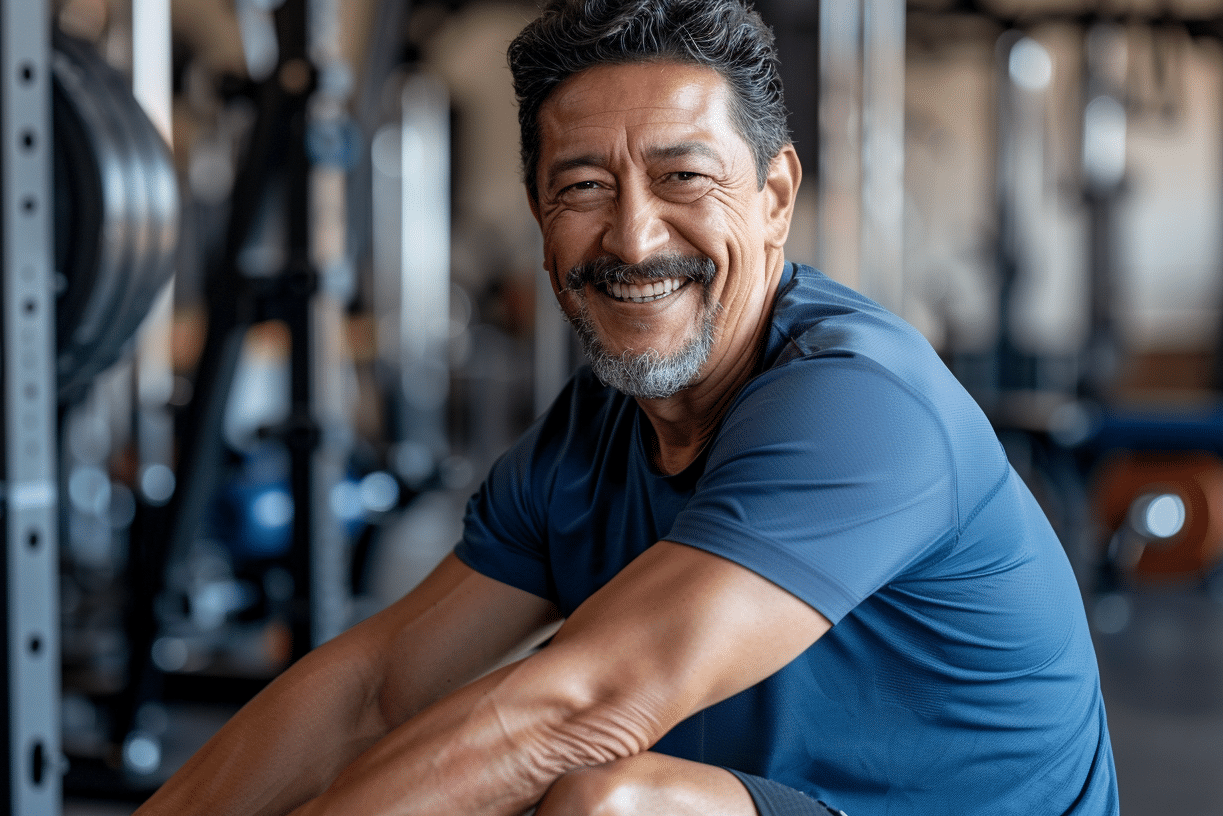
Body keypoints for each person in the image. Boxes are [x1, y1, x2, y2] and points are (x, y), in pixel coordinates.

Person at [137, 0, 1119, 813]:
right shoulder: (588, 435)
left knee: (600, 800)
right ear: (538, 214)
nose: (634, 237)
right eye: (583, 186)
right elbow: (372, 690)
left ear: (775, 195)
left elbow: (583, 709)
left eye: (682, 176)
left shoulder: (863, 402)